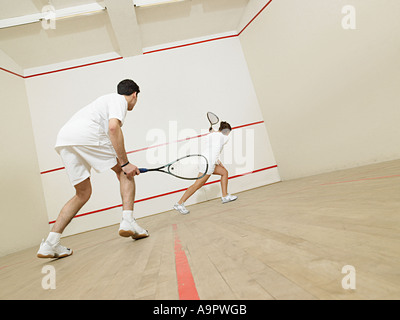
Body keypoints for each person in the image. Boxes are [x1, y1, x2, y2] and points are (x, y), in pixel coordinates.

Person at [37, 79, 149, 259]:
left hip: (65, 139)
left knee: (82, 193)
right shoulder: (119, 100)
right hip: (85, 134)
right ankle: (128, 221)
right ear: (134, 94)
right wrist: (125, 163)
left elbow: (109, 130)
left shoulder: (102, 103)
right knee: (123, 171)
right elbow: (113, 128)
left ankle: (50, 243)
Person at [173, 121, 238, 214]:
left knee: (224, 172)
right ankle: (179, 203)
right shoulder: (224, 137)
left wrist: (213, 132)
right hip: (209, 163)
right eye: (228, 132)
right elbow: (220, 138)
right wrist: (214, 132)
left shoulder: (209, 136)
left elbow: (213, 149)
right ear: (226, 131)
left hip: (205, 160)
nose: (228, 134)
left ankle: (225, 196)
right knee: (197, 185)